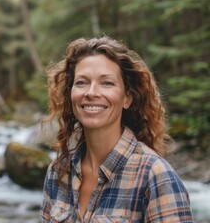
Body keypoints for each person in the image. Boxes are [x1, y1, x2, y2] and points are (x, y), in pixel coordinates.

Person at [40, 36, 194, 222]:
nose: (91, 92)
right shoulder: (59, 172)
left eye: (107, 83)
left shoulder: (155, 176)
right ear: (70, 93)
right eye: (82, 82)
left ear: (127, 98)